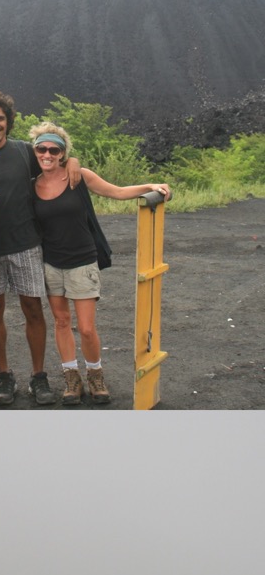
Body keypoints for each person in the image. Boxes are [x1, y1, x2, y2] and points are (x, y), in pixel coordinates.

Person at [0, 91, 80, 407]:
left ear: (8, 122)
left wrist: (72, 159)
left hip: (27, 247)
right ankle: (4, 377)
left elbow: (54, 159)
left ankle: (38, 377)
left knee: (33, 309)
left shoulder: (23, 152)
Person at [31, 122, 172, 406]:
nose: (47, 154)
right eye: (41, 149)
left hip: (82, 261)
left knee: (85, 327)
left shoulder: (78, 176)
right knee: (60, 321)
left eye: (53, 149)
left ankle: (95, 374)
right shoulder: (31, 183)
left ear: (62, 153)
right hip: (50, 263)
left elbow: (116, 192)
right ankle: (72, 378)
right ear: (34, 151)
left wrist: (150, 186)